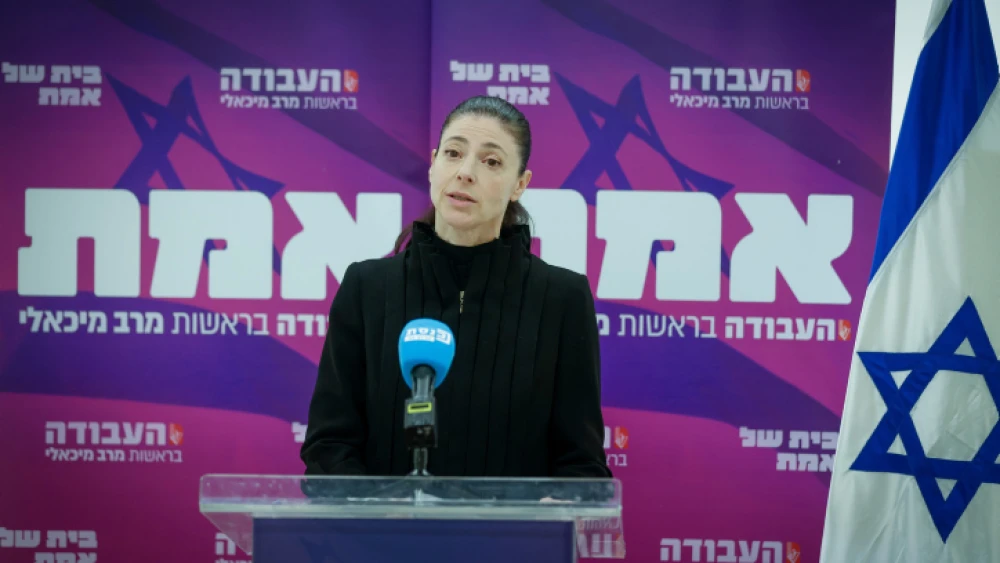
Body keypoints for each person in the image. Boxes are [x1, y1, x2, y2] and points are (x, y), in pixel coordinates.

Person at [300, 95, 611, 479]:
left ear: (520, 184)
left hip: (513, 538)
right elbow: (329, 446)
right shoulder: (367, 289)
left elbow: (581, 463)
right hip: (384, 536)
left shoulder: (562, 298)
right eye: (453, 153)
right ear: (433, 165)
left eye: (491, 161)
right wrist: (380, 515)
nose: (465, 172)